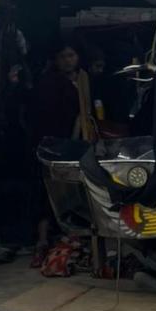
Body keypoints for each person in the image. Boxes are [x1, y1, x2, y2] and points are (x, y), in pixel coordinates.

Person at [29, 42, 97, 266]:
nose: (69, 60)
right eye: (63, 56)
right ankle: (42, 240)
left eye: (72, 55)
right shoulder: (48, 83)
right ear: (56, 60)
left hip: (79, 143)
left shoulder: (84, 80)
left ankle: (79, 238)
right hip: (54, 142)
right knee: (48, 191)